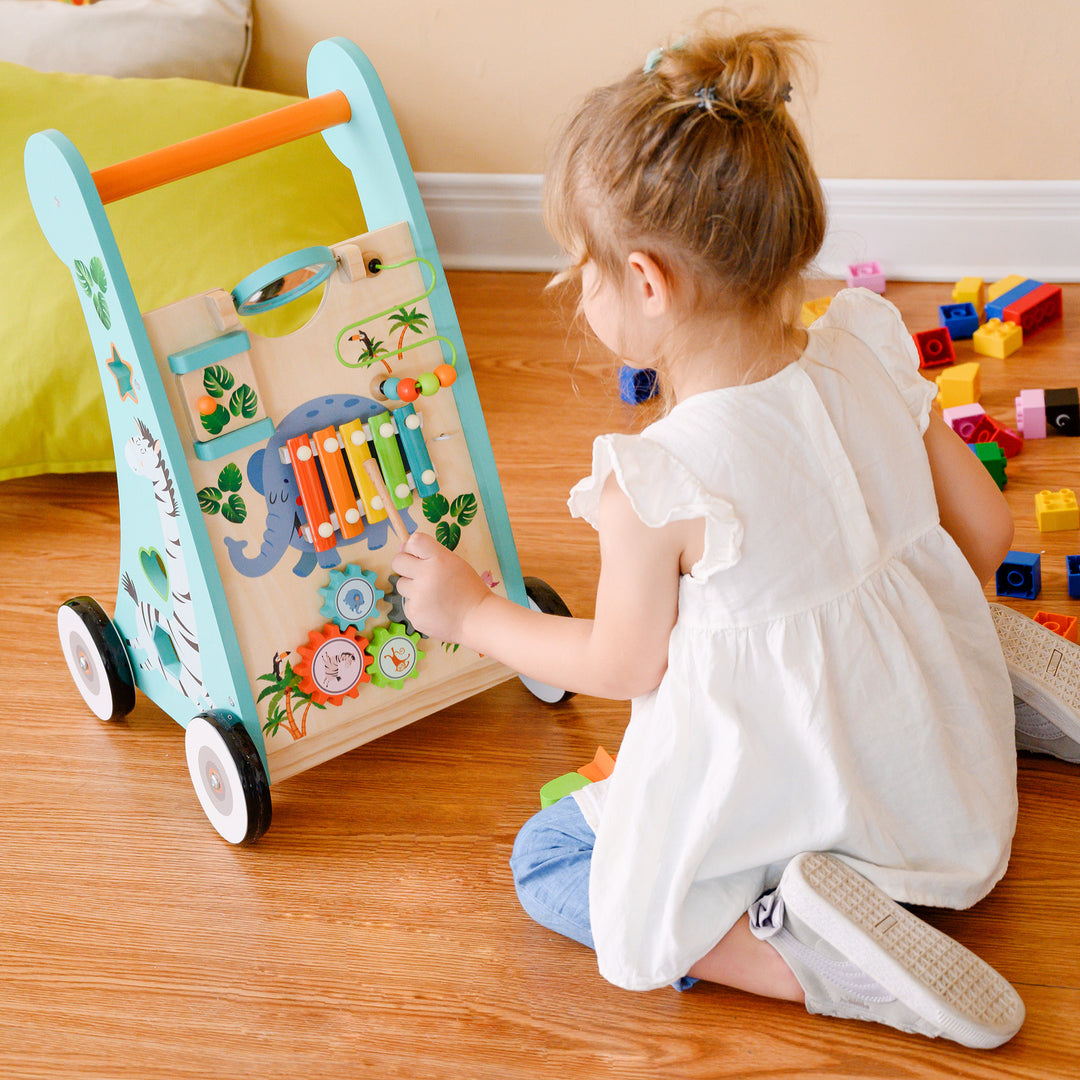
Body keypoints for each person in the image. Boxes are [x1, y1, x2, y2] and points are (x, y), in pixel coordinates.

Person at [392, 18, 1027, 1048]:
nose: (573, 289)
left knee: (553, 864)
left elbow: (620, 664)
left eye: (578, 268)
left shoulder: (660, 480)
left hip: (831, 816)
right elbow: (987, 529)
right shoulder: (868, 344)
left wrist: (473, 613)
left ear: (647, 282)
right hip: (952, 788)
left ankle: (816, 958)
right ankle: (986, 674)